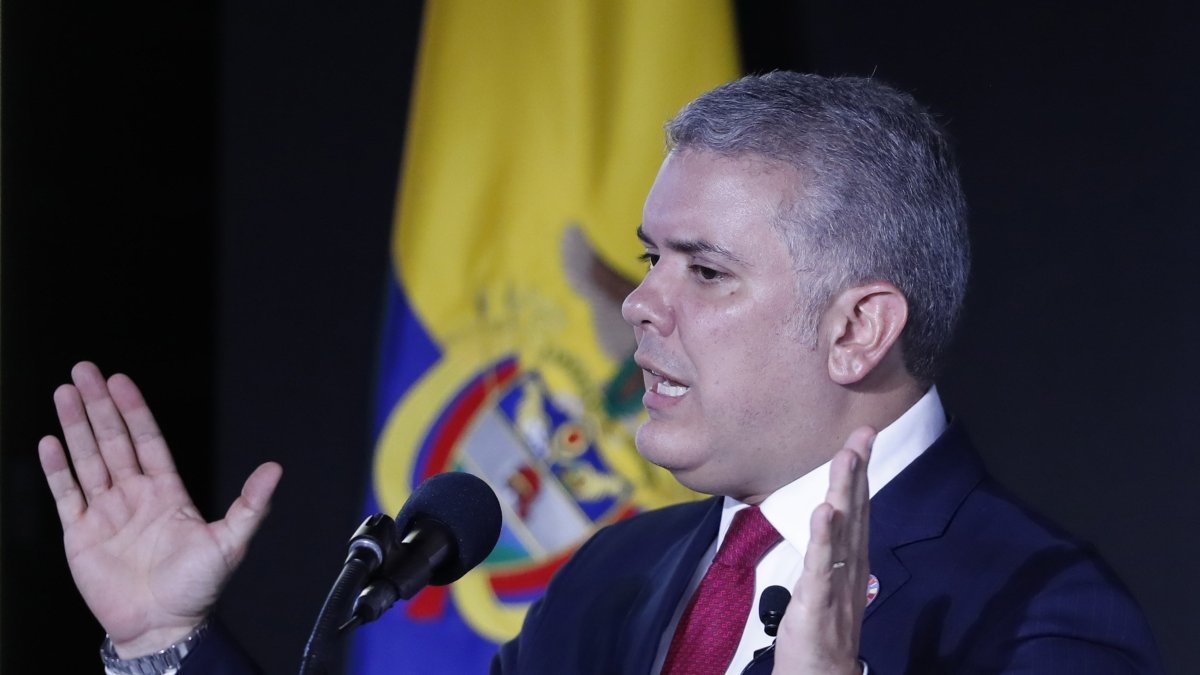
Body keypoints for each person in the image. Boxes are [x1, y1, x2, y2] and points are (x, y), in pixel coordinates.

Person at [40, 72, 1163, 674]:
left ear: (858, 328)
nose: (637, 303)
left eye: (705, 270)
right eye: (648, 257)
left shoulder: (1041, 617)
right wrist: (162, 644)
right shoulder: (612, 579)